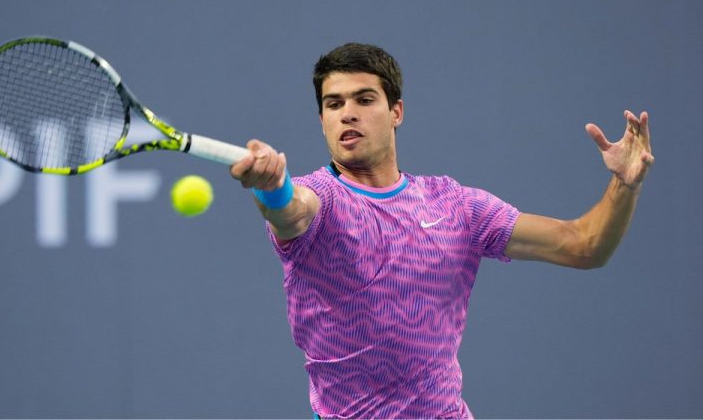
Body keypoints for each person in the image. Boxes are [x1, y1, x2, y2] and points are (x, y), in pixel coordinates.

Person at [230, 43, 653, 419]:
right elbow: (291, 210)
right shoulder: (317, 197)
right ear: (322, 118)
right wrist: (272, 185)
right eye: (333, 104)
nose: (348, 113)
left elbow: (585, 246)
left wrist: (625, 183)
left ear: (396, 111)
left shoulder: (456, 205)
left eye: (364, 99)